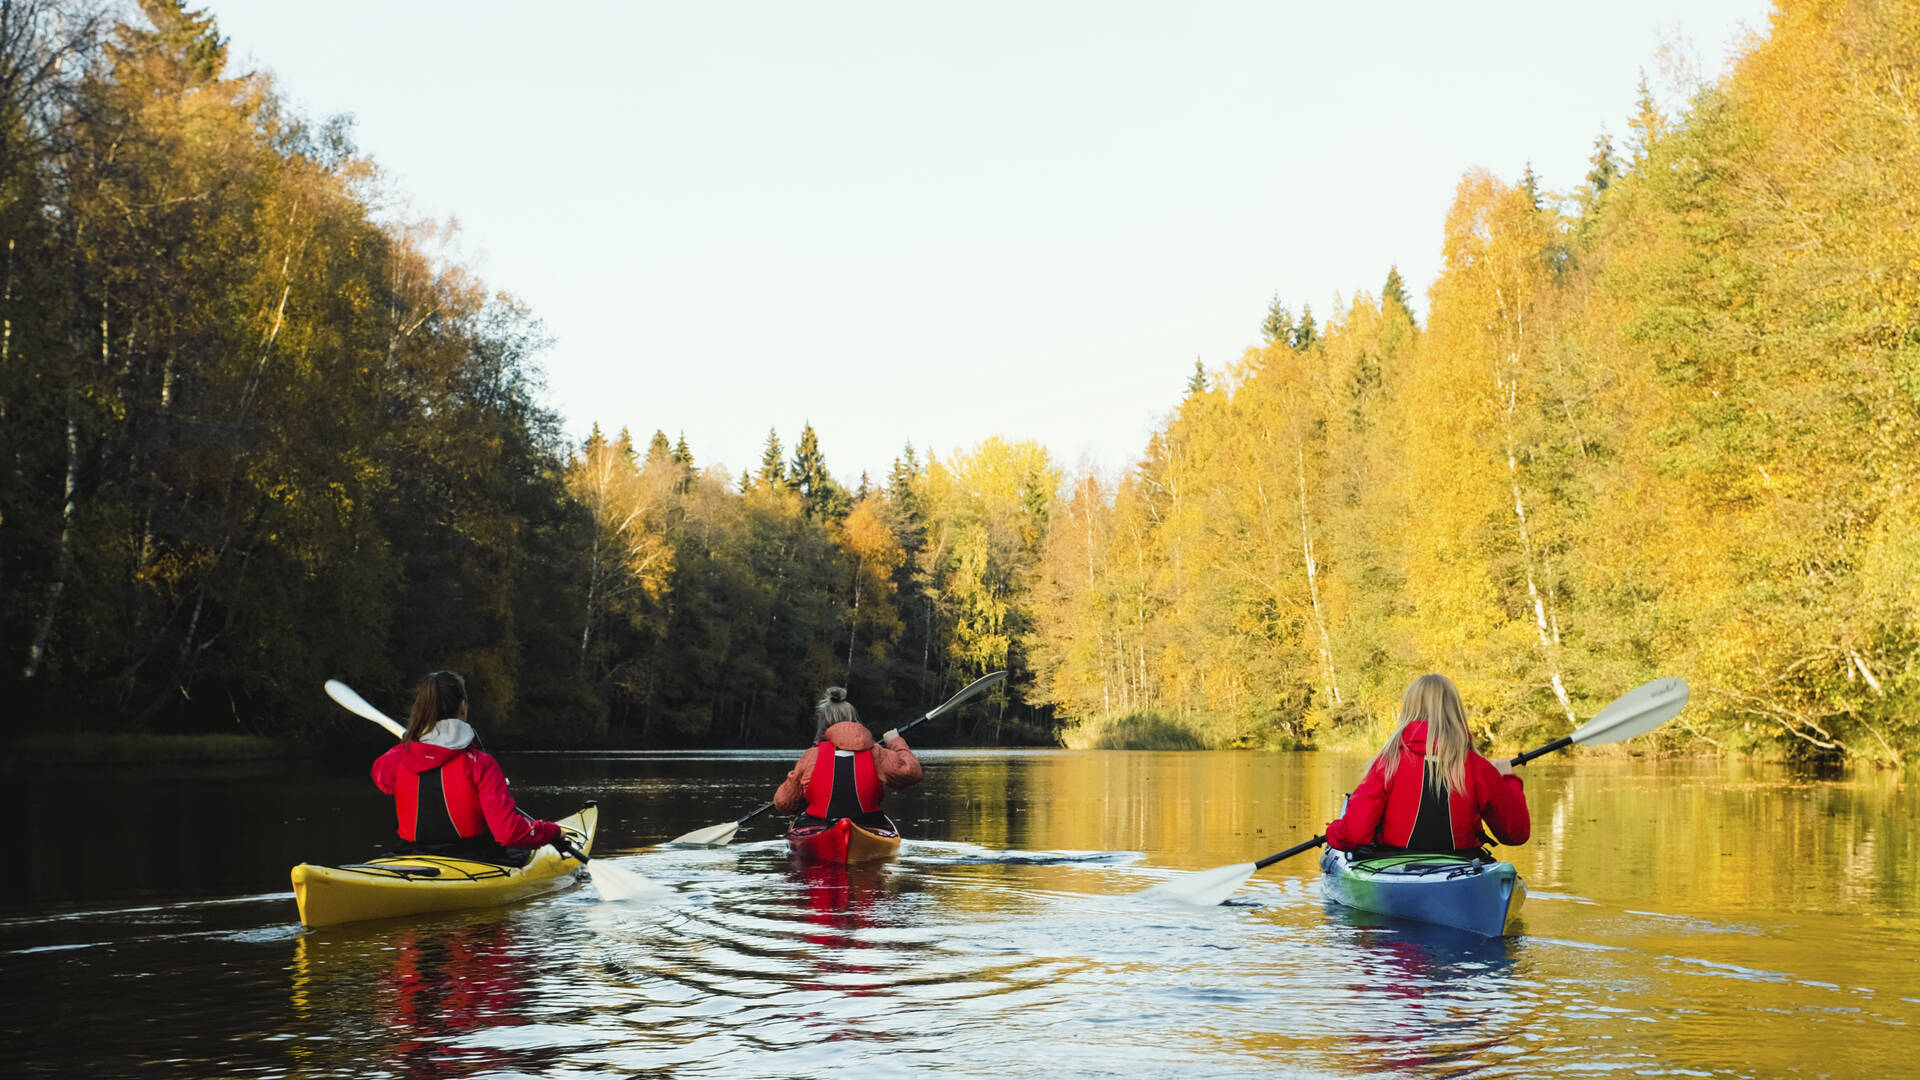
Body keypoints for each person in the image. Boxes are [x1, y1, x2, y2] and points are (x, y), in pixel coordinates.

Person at [1324, 673, 1530, 856]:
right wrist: (1507, 780)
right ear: (1455, 711)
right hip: (1462, 864)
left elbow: (1353, 834)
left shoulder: (1389, 763)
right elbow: (1516, 834)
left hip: (1395, 863)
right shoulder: (1478, 768)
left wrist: (1332, 832)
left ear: (1409, 711)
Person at [371, 670, 563, 866]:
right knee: (516, 849)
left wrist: (412, 744)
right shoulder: (480, 764)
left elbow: (383, 779)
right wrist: (551, 831)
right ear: (462, 706)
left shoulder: (394, 759)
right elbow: (509, 833)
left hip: (411, 855)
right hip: (473, 858)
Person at [774, 687, 923, 829]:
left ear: (822, 724)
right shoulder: (877, 753)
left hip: (818, 825)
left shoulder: (811, 756)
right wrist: (895, 742)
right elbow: (912, 773)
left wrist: (802, 798)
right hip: (868, 823)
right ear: (854, 720)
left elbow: (784, 804)